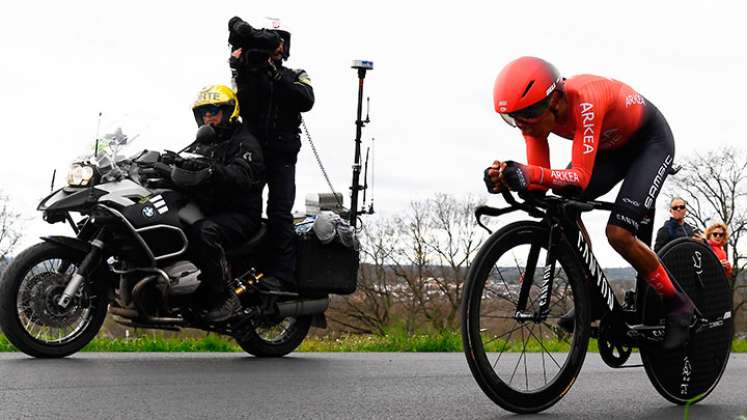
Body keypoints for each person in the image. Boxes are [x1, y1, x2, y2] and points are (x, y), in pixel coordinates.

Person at [484, 56, 693, 349]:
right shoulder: (535, 123)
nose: (522, 127)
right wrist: (507, 178)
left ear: (554, 101)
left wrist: (529, 173)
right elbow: (542, 185)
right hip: (611, 148)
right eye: (513, 119)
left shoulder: (585, 100)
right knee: (564, 207)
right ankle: (593, 297)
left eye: (526, 116)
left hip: (649, 143)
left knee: (618, 234)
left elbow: (579, 177)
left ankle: (679, 305)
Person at [226, 16, 314, 290]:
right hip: (251, 151)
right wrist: (246, 67)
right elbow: (240, 99)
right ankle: (238, 270)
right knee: (242, 208)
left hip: (283, 153)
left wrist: (275, 74)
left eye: (279, 42)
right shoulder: (248, 69)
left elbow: (306, 100)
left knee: (279, 211)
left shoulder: (296, 74)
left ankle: (281, 276)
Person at [166, 84, 265, 322]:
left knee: (204, 232)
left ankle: (226, 298)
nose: (208, 117)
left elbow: (242, 175)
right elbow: (186, 158)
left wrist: (212, 170)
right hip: (209, 210)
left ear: (229, 112)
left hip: (239, 215)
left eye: (214, 111)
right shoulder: (203, 142)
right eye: (204, 113)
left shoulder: (245, 142)